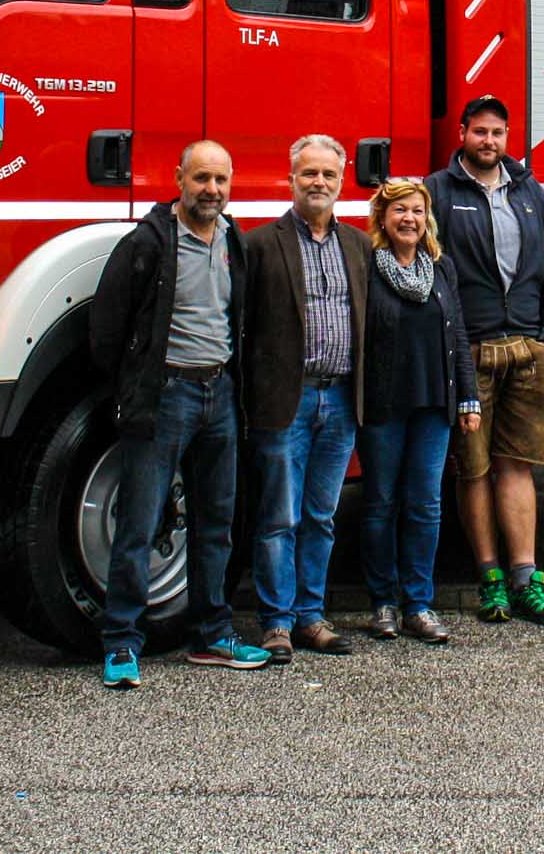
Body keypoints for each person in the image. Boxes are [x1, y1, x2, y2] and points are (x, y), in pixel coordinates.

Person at [86, 140, 275, 686]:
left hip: (219, 397)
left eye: (220, 179)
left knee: (216, 526)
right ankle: (121, 642)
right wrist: (131, 390)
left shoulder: (232, 241)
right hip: (165, 397)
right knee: (139, 524)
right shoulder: (147, 243)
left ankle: (212, 635)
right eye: (201, 179)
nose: (211, 190)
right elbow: (107, 328)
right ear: (178, 179)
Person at [424, 95, 544, 629]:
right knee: (474, 469)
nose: (489, 142)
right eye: (480, 132)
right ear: (462, 133)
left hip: (529, 350)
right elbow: (435, 276)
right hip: (472, 350)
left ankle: (526, 577)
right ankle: (489, 580)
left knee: (518, 465)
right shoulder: (437, 192)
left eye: (498, 133)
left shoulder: (531, 191)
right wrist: (455, 347)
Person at [242, 134, 370, 662]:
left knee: (321, 515)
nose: (319, 182)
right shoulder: (259, 245)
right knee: (278, 515)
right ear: (290, 177)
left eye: (328, 175)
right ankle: (275, 622)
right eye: (309, 173)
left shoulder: (360, 246)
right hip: (285, 402)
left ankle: (311, 617)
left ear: (342, 182)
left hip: (340, 401)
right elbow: (243, 327)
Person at [358, 178, 483, 644]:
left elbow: (458, 336)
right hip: (384, 407)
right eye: (398, 211)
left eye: (415, 210)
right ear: (383, 219)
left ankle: (419, 603)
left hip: (434, 404)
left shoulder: (441, 267)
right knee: (380, 505)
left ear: (425, 217)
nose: (408, 219)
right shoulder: (367, 267)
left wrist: (468, 399)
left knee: (425, 506)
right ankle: (383, 602)